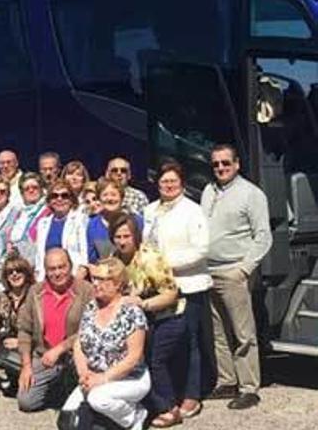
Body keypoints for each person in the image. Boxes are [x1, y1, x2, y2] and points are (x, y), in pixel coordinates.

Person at [201, 144, 271, 410]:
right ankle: (227, 380)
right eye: (216, 164)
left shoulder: (251, 194)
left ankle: (249, 387)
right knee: (218, 332)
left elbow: (263, 236)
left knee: (243, 333)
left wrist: (244, 269)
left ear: (237, 164)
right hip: (209, 270)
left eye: (225, 163)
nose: (220, 168)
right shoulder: (209, 191)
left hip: (234, 271)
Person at [143, 160, 214, 418]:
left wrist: (165, 266)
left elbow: (202, 249)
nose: (168, 185)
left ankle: (192, 396)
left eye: (173, 181)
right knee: (164, 344)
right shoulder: (150, 211)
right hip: (159, 290)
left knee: (191, 341)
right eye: (164, 181)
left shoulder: (193, 211)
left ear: (182, 183)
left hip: (188, 285)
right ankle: (169, 393)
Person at [60, 257, 150, 430]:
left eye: (102, 280)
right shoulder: (92, 307)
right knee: (67, 420)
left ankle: (135, 416)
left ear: (117, 284)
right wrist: (84, 373)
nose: (95, 284)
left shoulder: (131, 312)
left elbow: (134, 357)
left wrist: (103, 379)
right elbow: (79, 343)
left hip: (129, 378)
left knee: (98, 400)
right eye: (95, 279)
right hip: (94, 375)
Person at [112, 218, 185, 428]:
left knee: (155, 361)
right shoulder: (116, 258)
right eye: (118, 237)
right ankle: (153, 403)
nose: (122, 241)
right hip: (142, 319)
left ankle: (171, 409)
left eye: (127, 236)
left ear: (136, 236)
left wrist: (143, 304)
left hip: (168, 315)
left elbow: (171, 293)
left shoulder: (149, 257)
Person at [17, 249, 92, 412]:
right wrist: (26, 365)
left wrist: (61, 348)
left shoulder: (86, 290)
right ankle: (58, 389)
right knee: (26, 402)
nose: (57, 273)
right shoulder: (35, 292)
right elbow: (24, 330)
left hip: (75, 356)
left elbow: (90, 328)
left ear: (70, 267)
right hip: (44, 356)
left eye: (61, 267)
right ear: (46, 270)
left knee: (85, 402)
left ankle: (68, 389)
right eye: (52, 269)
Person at [0, 255, 36, 395]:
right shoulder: (3, 297)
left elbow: (43, 331)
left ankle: (32, 379)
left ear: (26, 273)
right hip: (12, 341)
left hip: (33, 345)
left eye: (18, 270)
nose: (15, 274)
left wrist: (21, 342)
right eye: (10, 272)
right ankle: (14, 380)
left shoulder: (35, 294)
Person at [33, 180, 89, 282]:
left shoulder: (80, 220)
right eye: (54, 196)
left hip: (72, 278)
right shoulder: (42, 223)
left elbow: (84, 255)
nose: (59, 199)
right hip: (47, 279)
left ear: (72, 199)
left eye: (64, 195)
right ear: (49, 200)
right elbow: (39, 256)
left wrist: (76, 282)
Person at [86, 178, 142, 263]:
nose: (110, 198)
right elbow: (93, 259)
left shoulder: (137, 221)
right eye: (105, 195)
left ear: (121, 198)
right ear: (99, 199)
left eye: (113, 194)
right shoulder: (93, 225)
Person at [9, 172, 52, 256]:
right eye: (26, 188)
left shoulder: (48, 211)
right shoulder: (18, 212)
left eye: (35, 187)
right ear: (22, 193)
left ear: (41, 189)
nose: (31, 190)